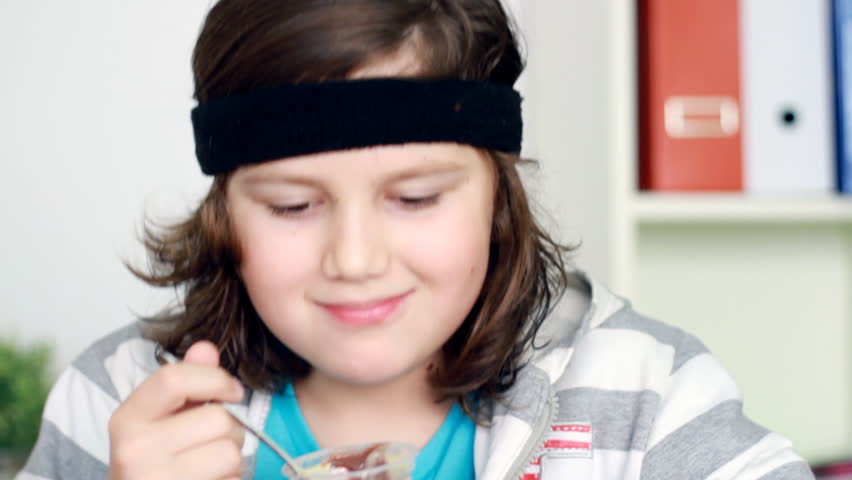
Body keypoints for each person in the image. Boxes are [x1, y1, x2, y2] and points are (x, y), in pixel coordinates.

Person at [17, 1, 814, 479]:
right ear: (225, 208)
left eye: (416, 197)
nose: (355, 261)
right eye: (293, 206)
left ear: (497, 193)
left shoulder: (650, 397)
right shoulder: (116, 402)